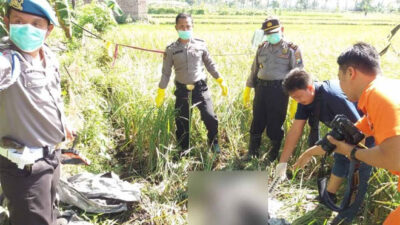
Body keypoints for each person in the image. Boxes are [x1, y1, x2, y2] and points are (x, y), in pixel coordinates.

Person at [295, 42, 400, 224]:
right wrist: (309, 153)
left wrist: (351, 152)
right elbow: (341, 138)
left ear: (351, 73)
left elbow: (394, 159)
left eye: (340, 78)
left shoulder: (377, 96)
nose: (340, 86)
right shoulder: (388, 88)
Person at [0, 0, 74, 224]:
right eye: (19, 22)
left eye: (36, 23)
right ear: (7, 23)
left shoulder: (48, 57)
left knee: (50, 212)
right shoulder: (8, 60)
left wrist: (63, 124)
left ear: (48, 30)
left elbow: (52, 95)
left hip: (51, 159)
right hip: (24, 170)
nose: (27, 28)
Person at [275, 68, 373, 224]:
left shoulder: (332, 96)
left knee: (357, 170)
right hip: (344, 131)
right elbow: (296, 130)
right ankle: (328, 197)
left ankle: (348, 214)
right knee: (340, 158)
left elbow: (358, 130)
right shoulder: (305, 99)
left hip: (366, 134)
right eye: (294, 98)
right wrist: (283, 163)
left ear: (310, 87)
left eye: (298, 97)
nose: (297, 101)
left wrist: (310, 152)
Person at [155, 13, 228, 154]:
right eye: (181, 26)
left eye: (188, 26)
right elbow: (166, 72)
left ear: (192, 26)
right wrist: (161, 90)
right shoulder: (171, 49)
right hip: (182, 90)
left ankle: (213, 143)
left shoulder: (200, 44)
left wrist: (220, 80)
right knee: (182, 121)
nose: (185, 28)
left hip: (200, 88)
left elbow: (210, 64)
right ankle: (184, 148)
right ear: (176, 27)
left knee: (210, 117)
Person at [243, 17, 304, 161]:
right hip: (261, 89)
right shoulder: (262, 47)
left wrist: (296, 99)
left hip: (279, 91)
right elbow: (254, 69)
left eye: (274, 32)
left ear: (282, 30)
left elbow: (298, 73)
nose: (271, 36)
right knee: (257, 120)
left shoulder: (292, 49)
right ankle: (252, 152)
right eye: (268, 33)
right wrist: (248, 88)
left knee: (275, 123)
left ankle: (272, 155)